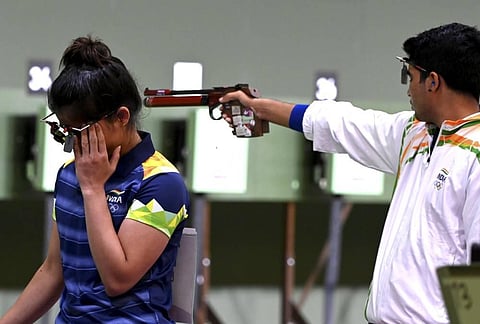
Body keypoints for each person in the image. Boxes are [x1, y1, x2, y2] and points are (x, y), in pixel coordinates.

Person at [220, 22, 480, 323]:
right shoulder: (415, 133)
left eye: (410, 77)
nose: (408, 89)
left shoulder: (473, 155)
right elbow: (340, 123)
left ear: (433, 82)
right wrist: (260, 109)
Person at [0, 36, 189, 323]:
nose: (71, 143)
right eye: (63, 131)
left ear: (121, 117)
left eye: (80, 131)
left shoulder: (162, 183)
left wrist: (92, 189)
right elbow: (54, 270)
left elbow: (118, 279)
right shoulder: (69, 172)